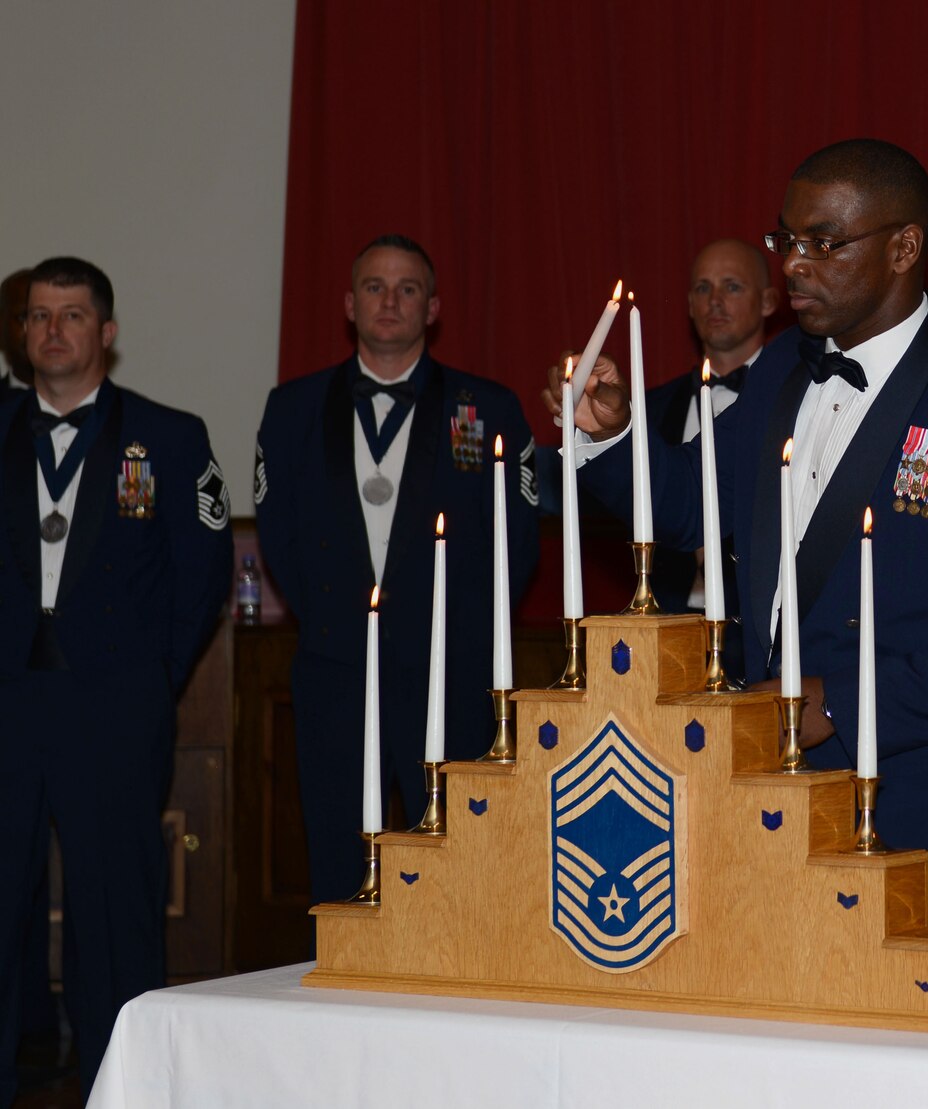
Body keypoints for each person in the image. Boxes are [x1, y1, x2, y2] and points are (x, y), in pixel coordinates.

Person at [554, 138, 928, 933]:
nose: (795, 265)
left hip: (921, 804)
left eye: (824, 243)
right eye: (787, 240)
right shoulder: (778, 376)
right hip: (775, 798)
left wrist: (841, 703)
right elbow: (694, 507)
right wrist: (607, 435)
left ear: (905, 247)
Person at [0, 257, 233, 1101]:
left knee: (115, 908)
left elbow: (201, 572)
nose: (51, 330)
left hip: (115, 709)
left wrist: (151, 678)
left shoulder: (170, 437)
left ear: (107, 331)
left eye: (70, 315)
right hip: (7, 707)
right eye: (36, 315)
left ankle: (124, 1084)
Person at [255, 234, 540, 906]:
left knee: (455, 868)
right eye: (375, 287)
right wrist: (340, 622)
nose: (390, 301)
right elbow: (279, 535)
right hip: (334, 668)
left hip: (450, 671)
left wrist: (454, 636)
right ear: (349, 305)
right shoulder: (291, 409)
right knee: (336, 857)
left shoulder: (489, 408)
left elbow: (517, 544)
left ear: (432, 308)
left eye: (407, 288)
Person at [631, 238, 775, 670]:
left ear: (768, 301)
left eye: (732, 287)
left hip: (761, 633)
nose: (715, 301)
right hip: (664, 628)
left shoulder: (800, 401)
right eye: (701, 288)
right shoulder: (647, 410)